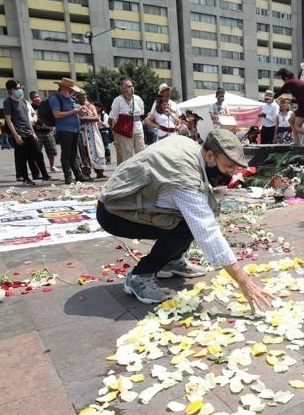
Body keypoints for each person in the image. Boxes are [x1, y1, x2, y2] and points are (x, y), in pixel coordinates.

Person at [96, 129, 274, 311]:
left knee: (191, 216)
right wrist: (243, 281)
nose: (231, 173)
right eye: (228, 166)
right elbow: (207, 231)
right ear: (210, 156)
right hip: (115, 211)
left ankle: (171, 261)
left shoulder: (193, 148)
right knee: (189, 225)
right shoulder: (184, 179)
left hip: (132, 198)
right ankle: (139, 277)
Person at [3, 79, 49, 186]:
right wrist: (16, 135)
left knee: (38, 154)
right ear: (10, 90)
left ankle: (46, 175)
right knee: (22, 157)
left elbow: (28, 119)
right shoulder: (8, 102)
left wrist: (33, 132)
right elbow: (8, 120)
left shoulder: (23, 102)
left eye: (20, 88)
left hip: (29, 132)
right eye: (17, 88)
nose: (20, 90)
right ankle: (25, 178)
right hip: (19, 133)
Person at [49, 77, 86, 184]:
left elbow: (75, 111)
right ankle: (68, 176)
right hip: (64, 130)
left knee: (74, 154)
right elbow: (57, 114)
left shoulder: (70, 99)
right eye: (70, 90)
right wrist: (73, 112)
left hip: (75, 129)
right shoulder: (55, 98)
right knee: (66, 154)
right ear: (62, 88)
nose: (72, 92)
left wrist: (80, 112)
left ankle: (78, 175)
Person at [275, 67, 304, 143]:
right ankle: (297, 141)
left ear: (286, 78)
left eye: (284, 81)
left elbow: (281, 91)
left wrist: (272, 97)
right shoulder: (298, 82)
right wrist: (288, 99)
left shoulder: (289, 82)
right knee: (291, 120)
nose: (284, 83)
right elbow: (301, 99)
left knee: (297, 127)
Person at [109, 79, 145, 164]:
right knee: (127, 153)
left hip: (138, 128)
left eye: (132, 86)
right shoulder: (118, 100)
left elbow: (142, 112)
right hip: (125, 128)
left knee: (141, 151)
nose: (131, 88)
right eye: (128, 86)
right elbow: (114, 116)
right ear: (122, 88)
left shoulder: (138, 98)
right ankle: (129, 174)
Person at [76, 91, 107, 179]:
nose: (83, 97)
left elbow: (96, 117)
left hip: (92, 132)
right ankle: (86, 173)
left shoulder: (91, 106)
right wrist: (86, 119)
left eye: (84, 96)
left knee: (97, 149)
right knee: (83, 152)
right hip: (81, 133)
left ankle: (99, 171)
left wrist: (85, 118)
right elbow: (78, 119)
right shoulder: (76, 107)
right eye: (81, 96)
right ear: (77, 98)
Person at [30, 91, 58, 172]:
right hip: (37, 132)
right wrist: (33, 133)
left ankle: (52, 166)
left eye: (38, 96)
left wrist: (52, 128)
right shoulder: (31, 108)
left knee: (51, 150)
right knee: (37, 151)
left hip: (48, 131)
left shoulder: (44, 105)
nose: (37, 98)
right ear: (31, 99)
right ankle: (38, 169)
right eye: (34, 97)